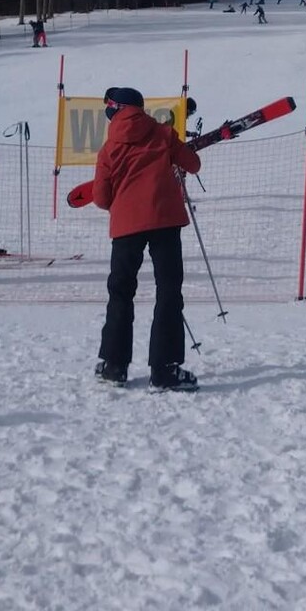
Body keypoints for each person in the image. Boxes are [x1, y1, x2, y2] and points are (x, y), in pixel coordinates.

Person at [92, 87, 203, 390]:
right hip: (166, 220)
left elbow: (101, 197)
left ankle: (114, 365)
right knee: (168, 291)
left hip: (126, 225)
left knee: (121, 291)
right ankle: (165, 370)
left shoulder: (109, 148)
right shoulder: (163, 134)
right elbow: (193, 165)